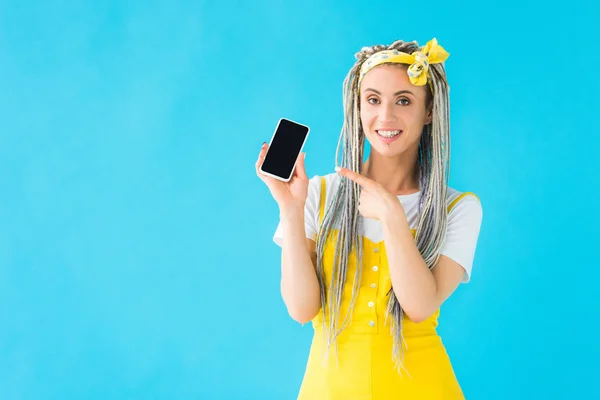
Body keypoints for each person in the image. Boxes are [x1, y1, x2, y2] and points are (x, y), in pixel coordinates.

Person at [256, 38, 483, 399]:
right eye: (373, 100)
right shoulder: (318, 194)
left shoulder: (458, 207)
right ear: (357, 108)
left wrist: (392, 215)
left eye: (404, 100)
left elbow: (421, 306)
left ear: (429, 111)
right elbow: (302, 309)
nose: (386, 117)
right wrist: (290, 208)